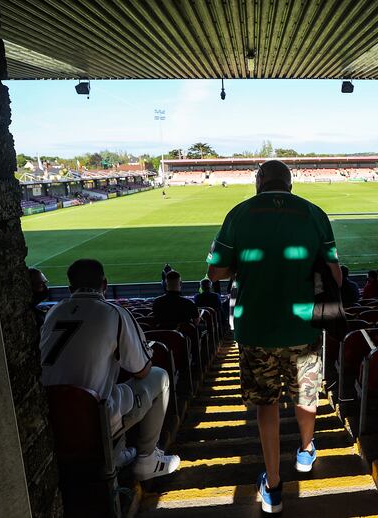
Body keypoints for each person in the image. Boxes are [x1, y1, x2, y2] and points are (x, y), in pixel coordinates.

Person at [207, 160, 342, 514]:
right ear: (291, 183)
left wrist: (248, 266)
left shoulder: (238, 214)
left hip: (255, 329)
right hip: (304, 326)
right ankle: (306, 452)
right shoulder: (315, 214)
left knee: (267, 405)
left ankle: (274, 486)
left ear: (259, 181)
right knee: (306, 394)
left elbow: (215, 272)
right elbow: (336, 278)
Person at [39, 259, 179, 479]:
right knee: (158, 376)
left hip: (51, 418)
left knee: (111, 388)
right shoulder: (114, 313)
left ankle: (119, 453)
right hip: (93, 418)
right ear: (104, 284)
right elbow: (141, 371)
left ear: (69, 288)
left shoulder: (52, 313)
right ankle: (147, 459)